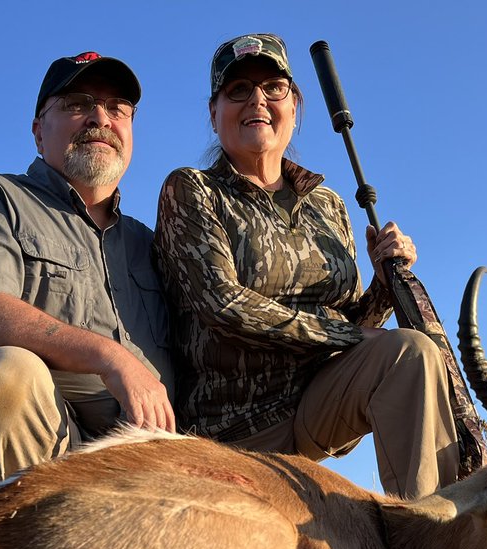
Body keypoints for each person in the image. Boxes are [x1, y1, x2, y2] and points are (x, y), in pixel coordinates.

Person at [155, 33, 460, 500]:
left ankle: (431, 528)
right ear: (214, 114)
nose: (256, 99)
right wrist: (352, 335)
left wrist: (381, 288)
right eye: (238, 90)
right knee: (402, 348)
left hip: (317, 407)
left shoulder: (329, 204)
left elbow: (351, 321)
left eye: (273, 88)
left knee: (413, 352)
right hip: (236, 426)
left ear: (294, 107)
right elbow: (223, 305)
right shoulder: (190, 190)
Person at [0, 52, 175, 520]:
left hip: (148, 464)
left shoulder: (154, 243)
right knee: (5, 377)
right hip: (39, 453)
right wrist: (110, 356)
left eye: (118, 108)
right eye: (78, 104)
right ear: (39, 131)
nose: (100, 118)